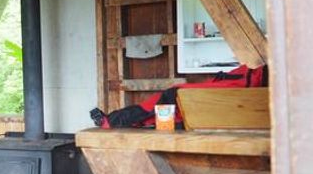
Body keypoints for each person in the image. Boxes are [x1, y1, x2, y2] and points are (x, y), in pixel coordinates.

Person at [90, 63, 268, 129]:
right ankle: (116, 121)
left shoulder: (258, 80)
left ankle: (112, 121)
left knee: (152, 110)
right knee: (154, 115)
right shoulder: (260, 81)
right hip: (196, 109)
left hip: (187, 102)